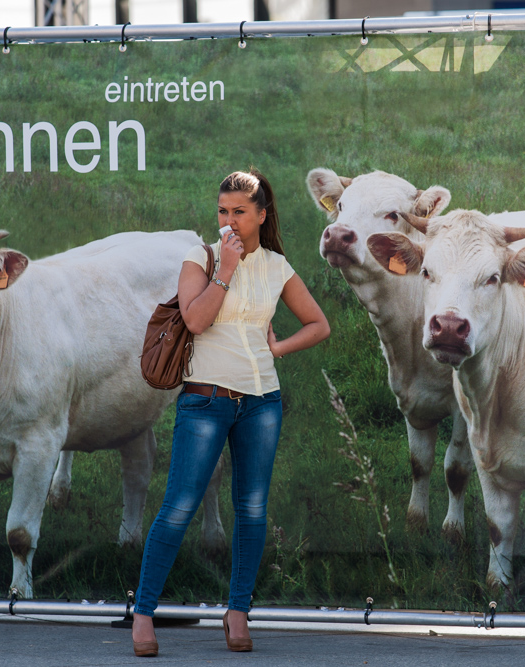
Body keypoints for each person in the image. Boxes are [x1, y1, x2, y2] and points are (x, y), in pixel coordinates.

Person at [131, 169, 331, 657]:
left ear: (261, 215)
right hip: (205, 401)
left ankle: (237, 610)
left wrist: (278, 348)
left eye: (240, 212)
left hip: (262, 403)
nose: (230, 220)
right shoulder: (199, 257)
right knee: (179, 506)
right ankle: (143, 613)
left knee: (253, 509)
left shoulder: (277, 266)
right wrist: (225, 266)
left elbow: (319, 324)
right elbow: (196, 319)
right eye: (223, 211)